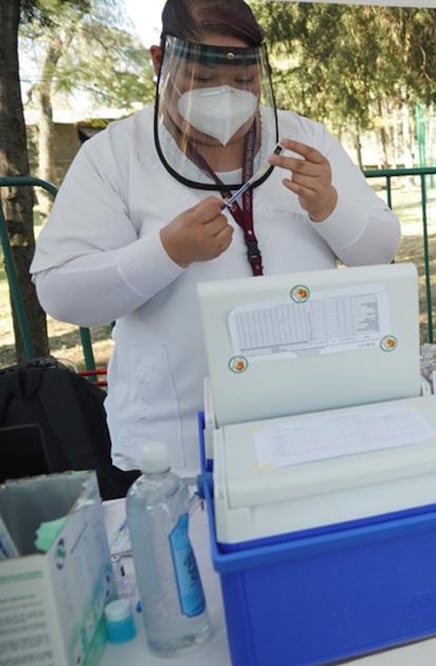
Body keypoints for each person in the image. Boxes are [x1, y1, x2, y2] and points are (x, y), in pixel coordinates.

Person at [30, 0, 401, 480]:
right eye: (203, 80)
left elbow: (380, 252)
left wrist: (328, 206)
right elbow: (60, 290)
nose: (226, 96)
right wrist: (166, 252)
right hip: (179, 447)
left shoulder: (302, 139)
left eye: (245, 81)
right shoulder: (117, 155)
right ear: (159, 61)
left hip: (309, 425)